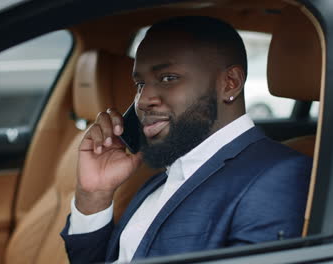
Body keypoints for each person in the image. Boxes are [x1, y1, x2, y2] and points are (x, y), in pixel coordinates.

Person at [60, 16, 312, 264]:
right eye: (140, 84)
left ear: (230, 83)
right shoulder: (161, 176)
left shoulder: (279, 175)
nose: (143, 99)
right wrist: (93, 196)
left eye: (168, 78)